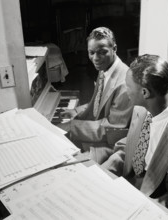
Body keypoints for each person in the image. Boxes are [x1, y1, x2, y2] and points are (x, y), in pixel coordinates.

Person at [102, 54, 168, 219]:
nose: (125, 89)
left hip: (154, 206)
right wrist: (110, 166)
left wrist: (139, 211)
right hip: (128, 187)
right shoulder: (140, 109)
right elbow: (131, 145)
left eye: (128, 86)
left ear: (145, 93)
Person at [57, 27, 133, 164]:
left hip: (111, 145)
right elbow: (99, 102)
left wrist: (72, 127)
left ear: (114, 48)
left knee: (64, 163)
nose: (96, 58)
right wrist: (76, 111)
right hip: (99, 133)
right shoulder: (106, 68)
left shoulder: (124, 84)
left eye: (102, 52)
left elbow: (112, 128)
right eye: (91, 53)